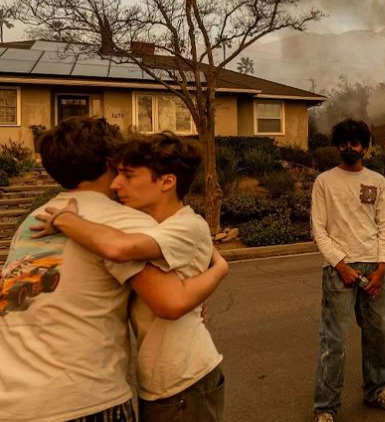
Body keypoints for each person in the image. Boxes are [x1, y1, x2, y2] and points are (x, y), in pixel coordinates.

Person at [0, 117, 227, 422]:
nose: (121, 181)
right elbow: (172, 300)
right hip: (81, 401)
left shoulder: (35, 219)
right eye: (121, 169)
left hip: (12, 400)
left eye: (129, 173)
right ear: (111, 163)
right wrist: (218, 270)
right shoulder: (119, 222)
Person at [311, 119, 385, 422]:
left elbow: (384, 227)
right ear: (338, 145)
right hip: (339, 271)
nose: (349, 148)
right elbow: (319, 230)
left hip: (375, 267)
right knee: (333, 341)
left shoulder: (377, 181)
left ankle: (377, 390)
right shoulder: (324, 181)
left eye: (355, 143)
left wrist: (382, 267)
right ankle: (326, 407)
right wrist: (340, 265)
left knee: (378, 335)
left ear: (365, 146)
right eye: (343, 143)